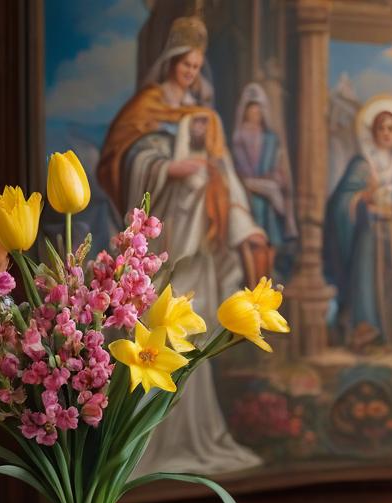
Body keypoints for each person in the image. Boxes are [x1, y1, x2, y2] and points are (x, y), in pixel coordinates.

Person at [97, 15, 267, 475]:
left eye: (197, 66)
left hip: (199, 245)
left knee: (191, 337)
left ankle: (193, 434)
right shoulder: (147, 107)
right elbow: (121, 159)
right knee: (152, 334)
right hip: (162, 242)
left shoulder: (203, 116)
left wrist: (244, 226)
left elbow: (224, 172)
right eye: (185, 64)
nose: (190, 72)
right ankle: (141, 445)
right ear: (171, 62)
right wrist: (164, 170)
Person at [323, 96, 392, 348]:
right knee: (366, 278)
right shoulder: (362, 164)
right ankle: (366, 326)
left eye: (391, 128)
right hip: (368, 232)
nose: (386, 133)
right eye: (381, 127)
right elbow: (340, 203)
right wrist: (363, 198)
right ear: (373, 131)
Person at [232, 82, 298, 268]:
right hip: (248, 187)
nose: (255, 115)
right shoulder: (239, 137)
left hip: (266, 187)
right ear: (245, 112)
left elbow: (278, 165)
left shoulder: (270, 139)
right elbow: (238, 165)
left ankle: (268, 268)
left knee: (270, 230)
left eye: (258, 112)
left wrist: (275, 175)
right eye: (251, 111)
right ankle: (254, 272)